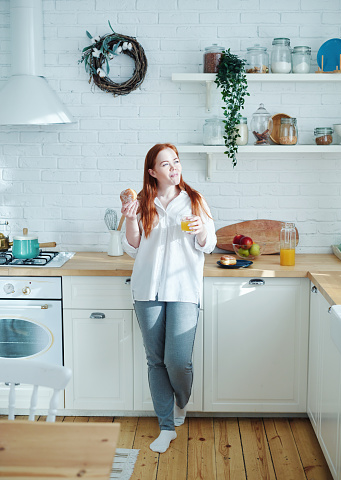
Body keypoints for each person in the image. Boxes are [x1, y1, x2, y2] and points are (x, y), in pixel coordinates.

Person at [121, 143, 216, 453]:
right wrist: (131, 218)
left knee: (178, 360)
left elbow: (209, 244)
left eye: (176, 162)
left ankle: (181, 402)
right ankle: (166, 426)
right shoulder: (143, 202)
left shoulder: (195, 201)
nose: (174, 168)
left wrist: (202, 230)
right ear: (152, 172)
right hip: (147, 291)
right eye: (166, 164)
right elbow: (133, 247)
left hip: (184, 291)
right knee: (156, 360)